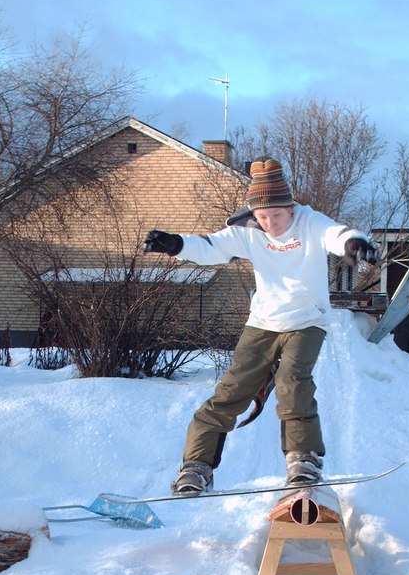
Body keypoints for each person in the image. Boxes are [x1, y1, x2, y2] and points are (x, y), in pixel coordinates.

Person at [143, 158, 378, 494]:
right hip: (263, 322)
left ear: (290, 208)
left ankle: (303, 459)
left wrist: (353, 244)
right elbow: (212, 246)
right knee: (231, 391)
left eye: (277, 216)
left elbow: (335, 234)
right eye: (263, 217)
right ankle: (196, 467)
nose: (270, 224)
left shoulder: (309, 222)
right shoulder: (250, 231)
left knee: (293, 381)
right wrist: (176, 245)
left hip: (307, 321)